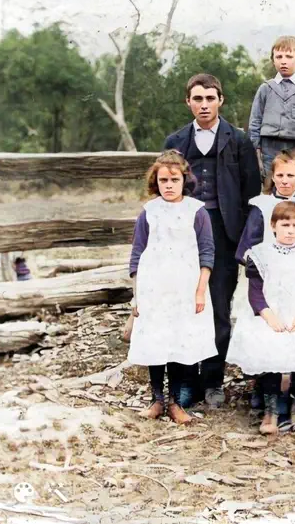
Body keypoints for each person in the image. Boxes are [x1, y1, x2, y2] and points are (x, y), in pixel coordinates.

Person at [164, 74, 262, 409]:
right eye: (197, 99)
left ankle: (213, 382)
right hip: (185, 232)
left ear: (220, 99)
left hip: (223, 231)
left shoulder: (238, 140)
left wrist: (243, 240)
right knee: (186, 305)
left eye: (210, 98)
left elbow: (251, 193)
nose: (204, 105)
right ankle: (187, 381)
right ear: (187, 102)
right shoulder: (175, 141)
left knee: (219, 306)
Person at [128, 151, 216, 425]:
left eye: (174, 179)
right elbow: (137, 253)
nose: (169, 185)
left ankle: (176, 402)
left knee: (179, 341)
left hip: (185, 287)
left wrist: (200, 290)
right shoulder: (149, 212)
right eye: (163, 180)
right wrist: (136, 294)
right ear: (156, 181)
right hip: (154, 286)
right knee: (156, 340)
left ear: (184, 180)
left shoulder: (196, 211)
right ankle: (156, 399)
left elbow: (207, 252)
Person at [227, 201, 295, 434]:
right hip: (271, 315)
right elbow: (256, 293)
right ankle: (271, 410)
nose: (290, 230)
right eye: (284, 224)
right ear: (273, 226)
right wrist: (269, 316)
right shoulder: (260, 254)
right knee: (269, 347)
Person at [247, 35, 295, 180]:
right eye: (279, 57)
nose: (283, 61)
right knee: (270, 187)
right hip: (269, 149)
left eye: (289, 56)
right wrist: (254, 151)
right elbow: (255, 121)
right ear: (273, 60)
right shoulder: (266, 89)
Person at [235, 149, 295, 263]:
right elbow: (248, 246)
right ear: (273, 177)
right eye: (280, 175)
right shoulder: (262, 205)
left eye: (290, 175)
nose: (284, 181)